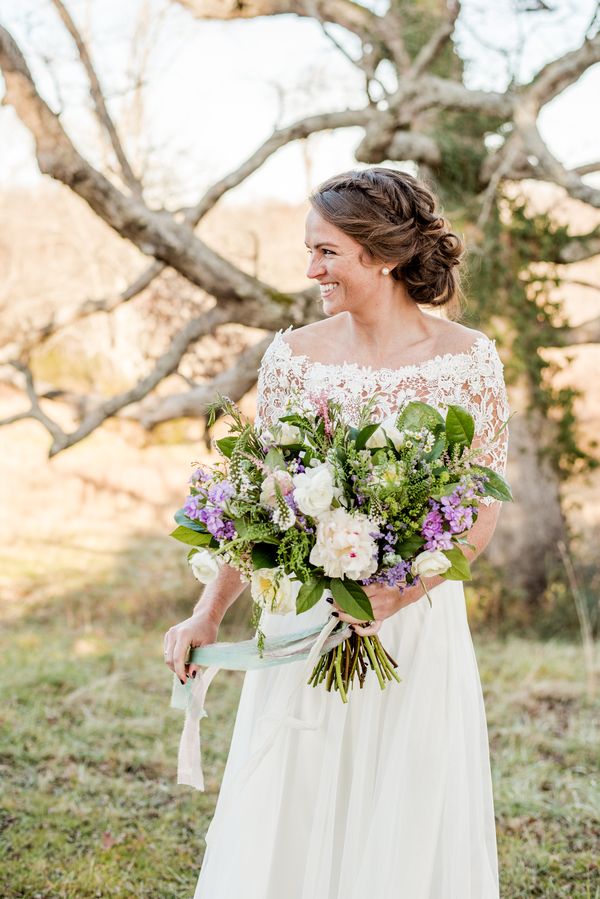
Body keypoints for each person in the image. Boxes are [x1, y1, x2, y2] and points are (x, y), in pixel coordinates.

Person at [163, 166, 509, 898]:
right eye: (310, 250)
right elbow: (257, 502)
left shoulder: (468, 360)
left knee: (403, 806)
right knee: (297, 794)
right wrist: (207, 612)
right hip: (305, 619)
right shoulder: (294, 356)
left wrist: (400, 593)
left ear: (381, 256)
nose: (311, 268)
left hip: (415, 627)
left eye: (327, 252)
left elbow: (480, 508)